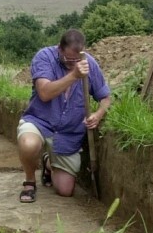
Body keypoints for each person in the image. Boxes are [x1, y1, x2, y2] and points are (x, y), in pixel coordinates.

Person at [17, 29, 111, 203]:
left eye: (76, 59)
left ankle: (48, 162)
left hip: (68, 134)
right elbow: (44, 93)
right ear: (59, 49)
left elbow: (105, 98)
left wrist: (98, 114)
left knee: (65, 191)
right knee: (29, 144)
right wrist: (74, 75)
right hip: (40, 122)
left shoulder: (89, 63)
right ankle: (29, 182)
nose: (72, 63)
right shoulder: (44, 57)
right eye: (68, 59)